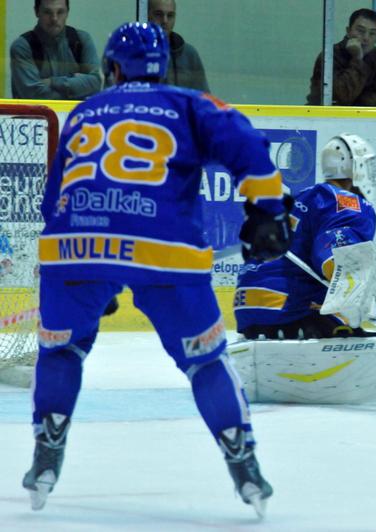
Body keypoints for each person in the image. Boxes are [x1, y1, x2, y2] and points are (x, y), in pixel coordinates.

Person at [22, 22, 290, 518]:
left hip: (72, 246)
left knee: (62, 351)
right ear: (162, 66)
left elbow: (50, 200)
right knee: (206, 362)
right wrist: (266, 211)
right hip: (161, 246)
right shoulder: (188, 103)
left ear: (113, 68)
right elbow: (246, 145)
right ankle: (243, 460)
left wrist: (92, 270)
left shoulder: (83, 111)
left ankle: (46, 451)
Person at [235, 133, 376, 340]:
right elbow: (335, 250)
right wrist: (357, 289)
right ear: (355, 167)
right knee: (342, 314)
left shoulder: (302, 198)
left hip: (246, 308)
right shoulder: (346, 202)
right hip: (290, 312)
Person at [307, 9, 376, 106]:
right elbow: (338, 97)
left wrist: (355, 103)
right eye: (361, 31)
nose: (366, 38)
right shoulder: (330, 55)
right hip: (325, 116)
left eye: (372, 33)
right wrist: (357, 59)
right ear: (348, 31)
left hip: (367, 117)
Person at [10, 0, 102, 100]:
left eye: (60, 12)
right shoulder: (22, 47)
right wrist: (79, 87)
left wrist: (53, 82)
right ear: (36, 12)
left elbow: (97, 83)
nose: (54, 18)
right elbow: (34, 96)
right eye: (47, 12)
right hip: (36, 116)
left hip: (76, 115)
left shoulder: (81, 40)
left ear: (67, 12)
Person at [148, 0, 210, 91]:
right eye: (158, 14)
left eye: (170, 15)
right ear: (147, 16)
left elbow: (203, 98)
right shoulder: (133, 53)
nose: (165, 20)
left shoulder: (189, 55)